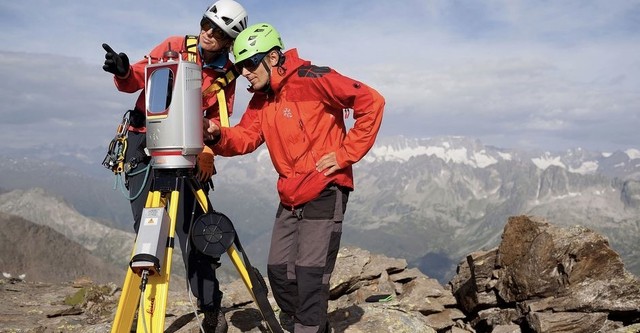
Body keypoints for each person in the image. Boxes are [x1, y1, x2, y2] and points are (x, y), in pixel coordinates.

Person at [203, 23, 385, 333]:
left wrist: (344, 155)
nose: (244, 72)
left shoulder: (314, 78)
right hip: (289, 193)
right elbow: (247, 136)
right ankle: (310, 323)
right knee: (278, 273)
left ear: (272, 58)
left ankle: (308, 326)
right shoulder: (262, 98)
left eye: (249, 63)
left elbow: (371, 102)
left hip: (326, 188)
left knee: (309, 273)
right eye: (240, 66)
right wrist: (218, 134)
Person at [101, 1, 248, 332]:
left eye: (218, 31)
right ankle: (147, 306)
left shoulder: (228, 74)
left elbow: (218, 119)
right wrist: (123, 71)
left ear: (229, 40)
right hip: (143, 142)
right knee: (148, 228)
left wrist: (208, 152)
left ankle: (210, 307)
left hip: (188, 149)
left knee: (194, 231)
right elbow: (138, 76)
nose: (208, 33)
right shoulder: (175, 46)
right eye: (206, 24)